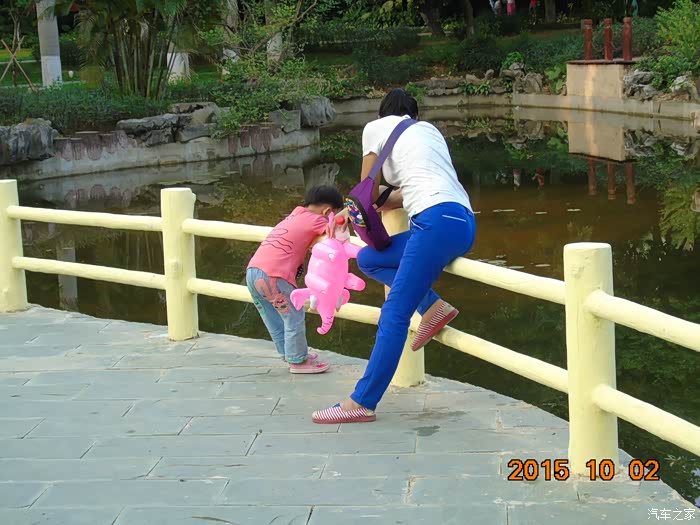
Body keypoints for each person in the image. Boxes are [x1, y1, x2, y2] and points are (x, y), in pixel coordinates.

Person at [312, 89, 476, 423]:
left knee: (394, 313)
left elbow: (367, 193)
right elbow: (414, 189)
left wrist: (349, 212)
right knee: (371, 258)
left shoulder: (375, 128)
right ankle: (433, 307)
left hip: (433, 223)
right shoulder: (429, 132)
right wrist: (377, 203)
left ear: (383, 112)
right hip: (462, 222)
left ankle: (362, 402)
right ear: (413, 114)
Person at [246, 185, 344, 374]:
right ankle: (298, 362)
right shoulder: (317, 220)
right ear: (327, 211)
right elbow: (336, 230)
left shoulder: (294, 215)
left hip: (253, 272)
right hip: (275, 275)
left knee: (273, 318)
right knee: (294, 316)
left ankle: (289, 353)